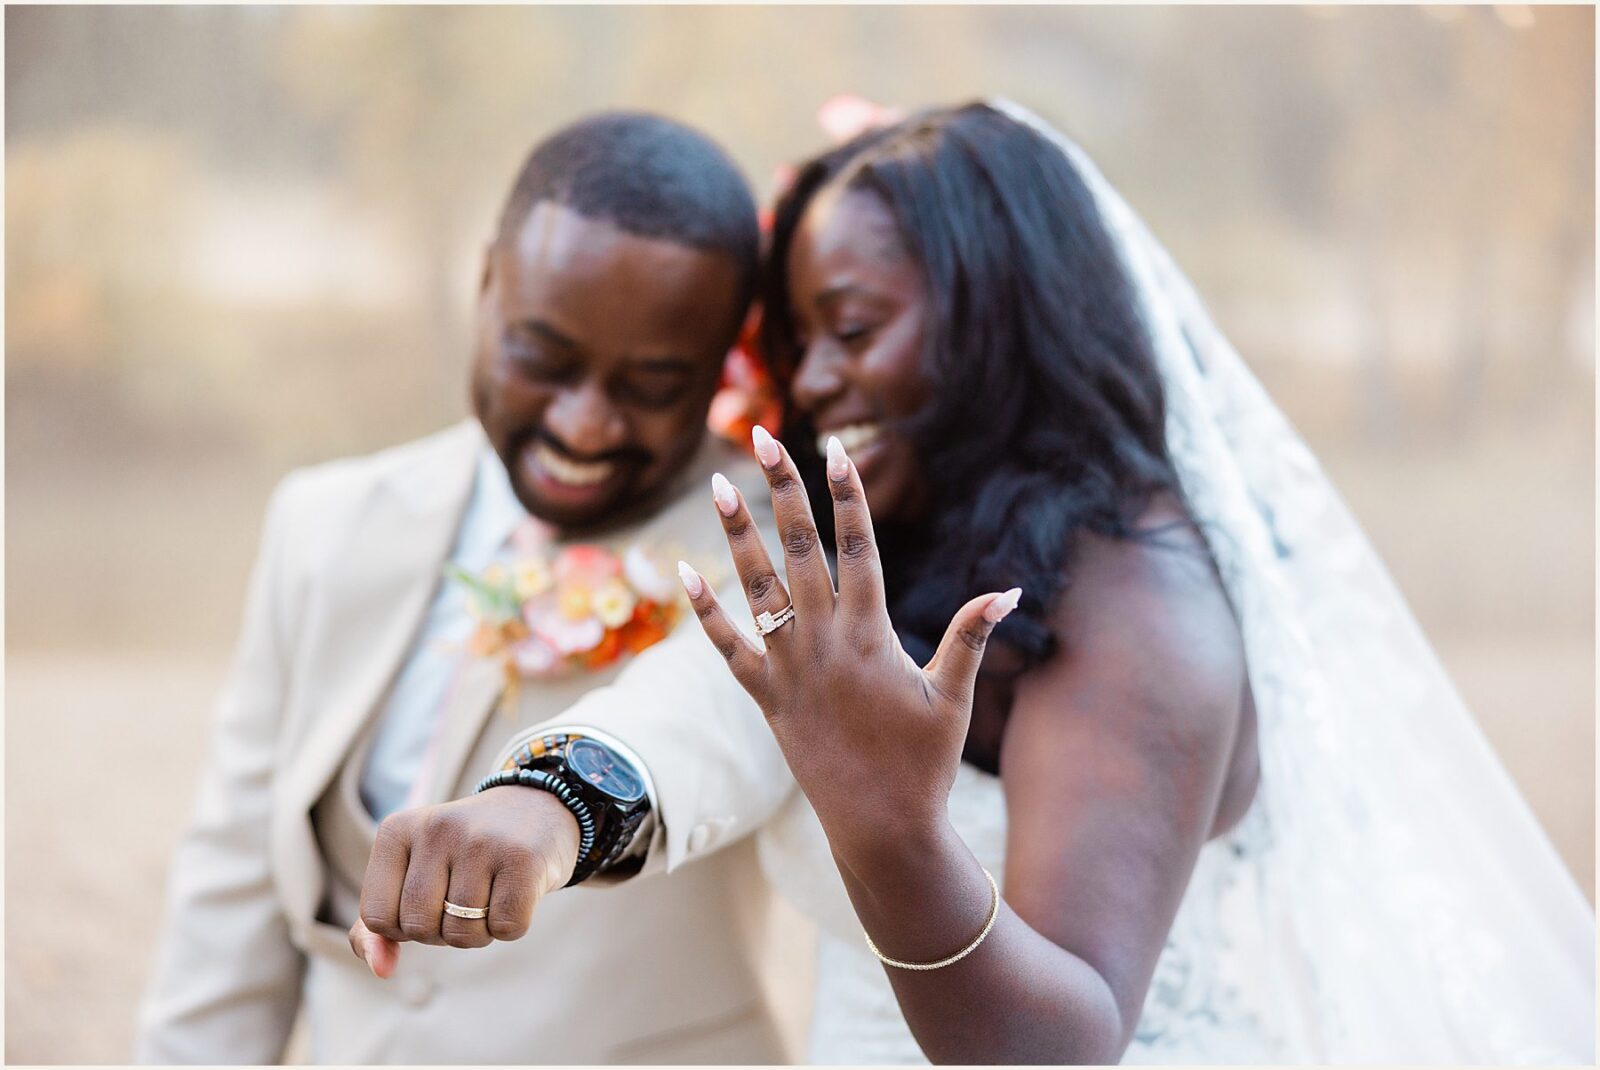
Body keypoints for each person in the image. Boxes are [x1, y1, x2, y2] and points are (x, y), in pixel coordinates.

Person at [677, 101, 1596, 1063]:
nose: (811, 380)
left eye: (852, 328)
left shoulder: (1143, 609)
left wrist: (889, 827)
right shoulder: (933, 548)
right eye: (798, 342)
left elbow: (1061, 1051)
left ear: (1002, 313)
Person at [136, 111, 796, 1064]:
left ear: (725, 356)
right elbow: (231, 893)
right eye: (545, 358)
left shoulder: (770, 545)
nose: (584, 425)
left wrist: (562, 799)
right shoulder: (322, 523)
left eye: (652, 385)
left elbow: (709, 718)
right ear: (487, 281)